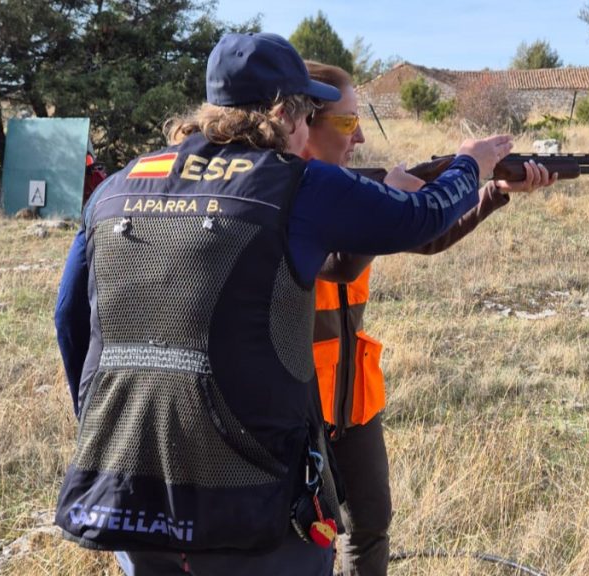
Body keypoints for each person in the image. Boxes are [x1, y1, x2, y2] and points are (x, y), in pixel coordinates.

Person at [52, 32, 513, 576]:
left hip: (130, 483)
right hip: (252, 499)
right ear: (288, 115)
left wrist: (102, 419)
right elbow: (422, 217)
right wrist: (471, 163)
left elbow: (69, 316)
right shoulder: (295, 184)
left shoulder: (120, 185)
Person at [300, 61, 555, 576]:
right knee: (310, 536)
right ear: (303, 124)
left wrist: (493, 193)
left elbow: (426, 236)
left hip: (353, 398)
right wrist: (399, 199)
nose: (361, 136)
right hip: (300, 406)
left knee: (370, 525)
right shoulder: (285, 198)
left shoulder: (349, 192)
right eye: (349, 123)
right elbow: (343, 262)